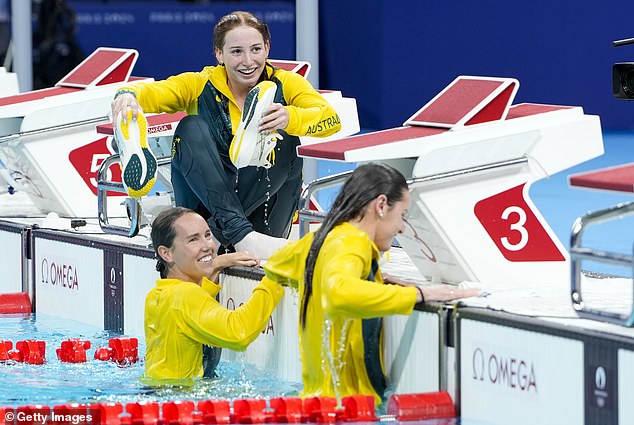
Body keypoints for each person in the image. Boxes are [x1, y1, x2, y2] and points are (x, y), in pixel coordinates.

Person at [111, 10, 341, 260]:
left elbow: (331, 119)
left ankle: (226, 233)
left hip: (257, 226)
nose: (248, 61)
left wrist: (290, 117)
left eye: (255, 49)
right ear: (219, 54)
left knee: (287, 140)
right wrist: (127, 95)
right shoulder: (200, 83)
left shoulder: (285, 83)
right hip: (203, 218)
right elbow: (152, 93)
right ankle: (237, 232)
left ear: (267, 48)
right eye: (236, 52)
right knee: (190, 128)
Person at [261, 163, 479, 404]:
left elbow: (275, 265)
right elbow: (338, 294)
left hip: (317, 405)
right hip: (350, 410)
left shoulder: (321, 238)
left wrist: (371, 279)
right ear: (382, 205)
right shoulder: (353, 243)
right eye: (402, 215)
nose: (402, 227)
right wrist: (420, 294)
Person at [144, 206, 284, 380]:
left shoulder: (157, 294)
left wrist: (216, 264)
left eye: (208, 235)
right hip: (182, 399)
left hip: (158, 396)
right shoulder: (186, 295)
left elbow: (191, 317)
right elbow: (238, 333)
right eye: (193, 240)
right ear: (166, 253)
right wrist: (276, 276)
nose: (208, 246)